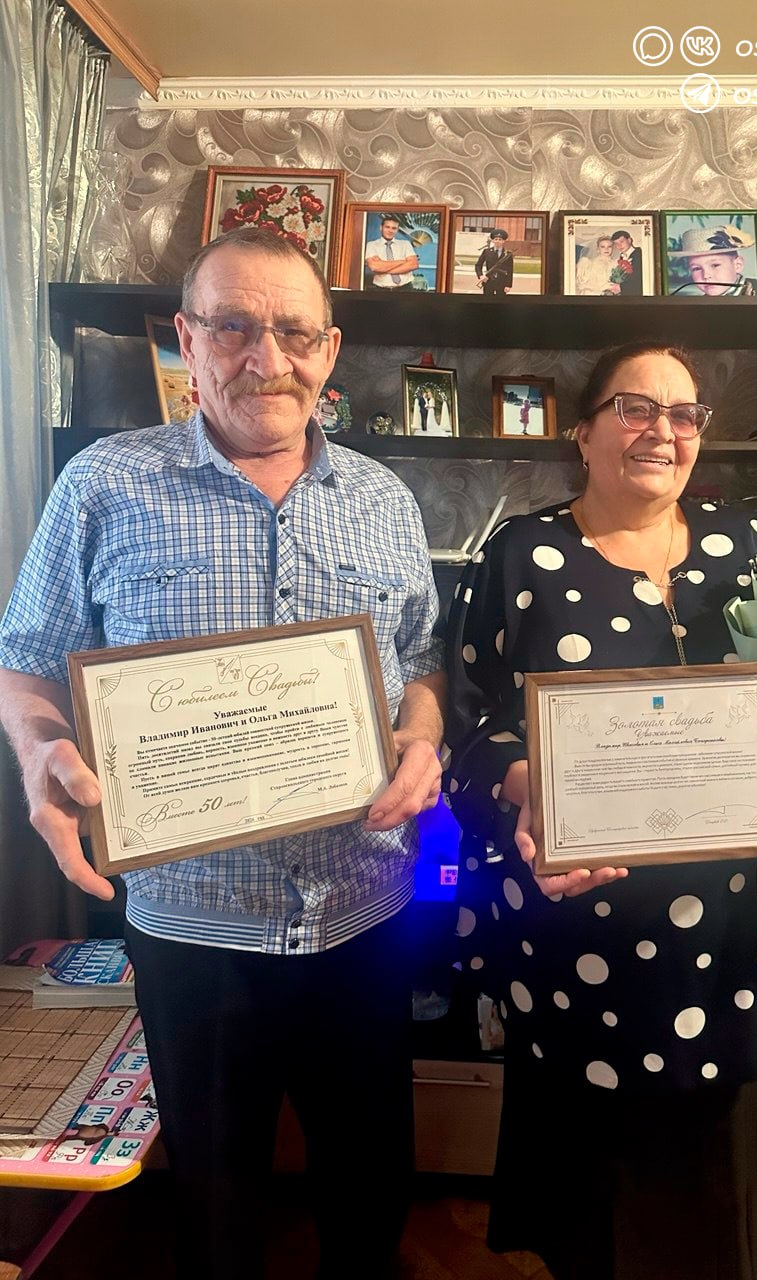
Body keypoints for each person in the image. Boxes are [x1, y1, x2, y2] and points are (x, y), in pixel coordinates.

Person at [0, 226, 446, 1280]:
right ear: (188, 340)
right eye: (234, 327)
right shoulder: (103, 483)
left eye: (293, 331)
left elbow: (423, 656)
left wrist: (422, 734)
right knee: (214, 1200)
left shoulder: (383, 498)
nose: (266, 357)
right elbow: (27, 662)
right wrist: (39, 750)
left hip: (365, 913)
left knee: (369, 1189)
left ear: (329, 350)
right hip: (193, 923)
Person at [442, 340, 757, 1280]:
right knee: (596, 1206)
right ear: (582, 431)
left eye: (684, 415)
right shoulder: (521, 555)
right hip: (580, 929)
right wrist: (527, 788)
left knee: (721, 1195)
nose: (662, 432)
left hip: (731, 937)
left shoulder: (753, 553)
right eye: (634, 408)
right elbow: (470, 731)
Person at [669, 225, 757, 295]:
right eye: (696, 268)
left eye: (715, 265)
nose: (706, 275)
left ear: (738, 265)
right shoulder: (699, 304)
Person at [364, 212, 418, 290]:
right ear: (381, 228)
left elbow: (413, 264)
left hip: (405, 288)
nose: (390, 230)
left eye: (394, 228)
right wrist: (402, 262)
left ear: (397, 230)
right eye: (387, 227)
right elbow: (374, 267)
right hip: (381, 289)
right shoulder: (371, 245)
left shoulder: (405, 244)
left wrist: (382, 267)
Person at [475, 228, 514, 296]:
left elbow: (510, 270)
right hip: (488, 281)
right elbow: (478, 265)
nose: (497, 241)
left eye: (500, 239)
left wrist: (508, 285)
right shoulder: (486, 252)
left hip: (502, 282)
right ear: (492, 240)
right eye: (496, 239)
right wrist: (481, 276)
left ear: (503, 241)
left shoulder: (508, 254)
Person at [608, 230, 643, 295]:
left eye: (621, 241)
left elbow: (639, 278)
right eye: (616, 244)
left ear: (629, 240)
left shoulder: (640, 254)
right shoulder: (621, 257)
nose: (619, 245)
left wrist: (621, 287)